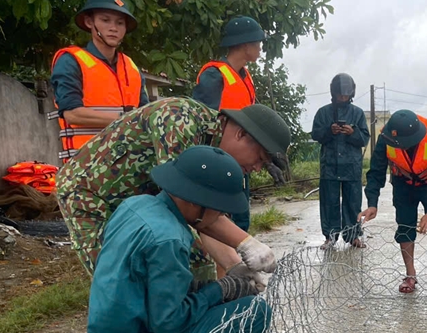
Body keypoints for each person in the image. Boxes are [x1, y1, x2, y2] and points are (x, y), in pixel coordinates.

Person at [88, 146, 271, 333]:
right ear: (194, 200)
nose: (220, 216)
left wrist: (209, 290)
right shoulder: (169, 239)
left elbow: (142, 285)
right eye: (218, 207)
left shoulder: (136, 205)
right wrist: (219, 290)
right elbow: (168, 322)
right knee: (254, 311)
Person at [55, 97, 290, 281]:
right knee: (120, 279)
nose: (257, 168)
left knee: (199, 264)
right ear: (241, 134)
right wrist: (248, 244)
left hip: (141, 200)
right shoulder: (180, 119)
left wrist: (234, 267)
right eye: (260, 158)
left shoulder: (222, 161)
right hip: (91, 196)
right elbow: (186, 203)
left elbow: (208, 217)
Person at [358, 110, 427, 293]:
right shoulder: (386, 138)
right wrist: (372, 202)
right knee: (405, 225)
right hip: (403, 183)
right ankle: (410, 275)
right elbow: (376, 171)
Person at [50, 0, 149, 161]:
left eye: (120, 23)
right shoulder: (72, 61)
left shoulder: (131, 67)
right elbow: (72, 114)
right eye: (105, 20)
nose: (113, 28)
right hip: (87, 167)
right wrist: (125, 120)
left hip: (131, 165)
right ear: (90, 22)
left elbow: (146, 115)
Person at [311, 73, 371, 248]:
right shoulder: (323, 113)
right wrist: (330, 131)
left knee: (353, 202)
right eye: (340, 95)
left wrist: (353, 133)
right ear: (333, 93)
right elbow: (316, 134)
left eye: (346, 95)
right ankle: (330, 237)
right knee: (329, 202)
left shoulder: (358, 113)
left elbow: (364, 139)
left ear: (351, 94)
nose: (343, 98)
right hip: (329, 166)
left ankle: (353, 236)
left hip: (351, 167)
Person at [193, 16, 264, 111]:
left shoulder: (244, 75)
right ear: (246, 46)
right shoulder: (214, 75)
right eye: (258, 43)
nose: (260, 48)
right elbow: (201, 118)